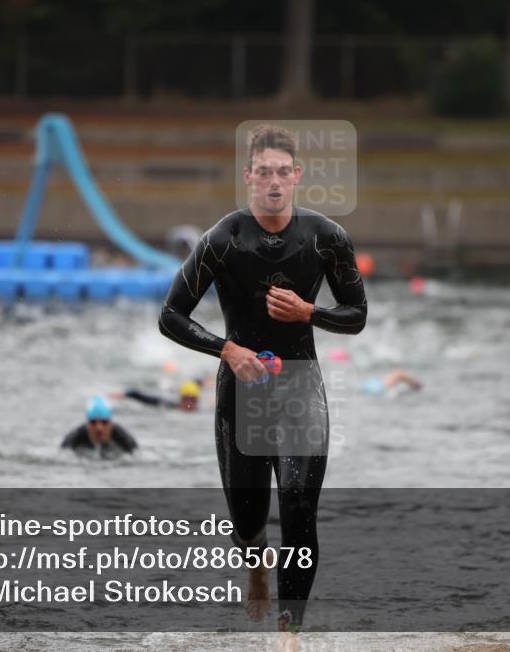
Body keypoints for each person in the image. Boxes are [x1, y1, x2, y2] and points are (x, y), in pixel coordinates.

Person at [158, 124, 367, 638]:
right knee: (247, 519)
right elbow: (170, 316)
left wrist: (308, 312)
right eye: (263, 172)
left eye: (283, 172)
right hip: (242, 393)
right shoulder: (223, 240)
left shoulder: (326, 238)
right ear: (248, 177)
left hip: (300, 388)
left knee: (298, 506)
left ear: (297, 176)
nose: (273, 182)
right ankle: (256, 567)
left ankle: (288, 633)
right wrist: (227, 349)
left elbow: (357, 314)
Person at [60, 396, 138, 458]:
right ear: (87, 424)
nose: (99, 428)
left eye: (104, 422)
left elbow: (138, 456)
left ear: (111, 424)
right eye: (93, 422)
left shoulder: (123, 437)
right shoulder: (74, 437)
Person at [110, 379, 202, 411]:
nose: (189, 403)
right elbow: (142, 397)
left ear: (197, 401)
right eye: (186, 399)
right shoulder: (167, 405)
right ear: (180, 399)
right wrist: (127, 395)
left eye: (192, 400)